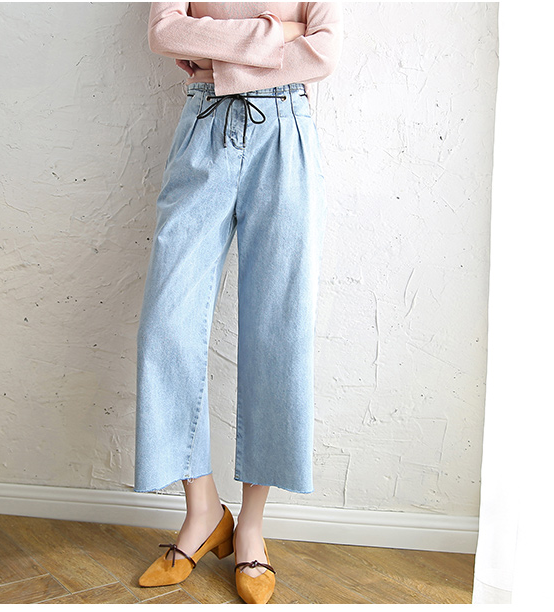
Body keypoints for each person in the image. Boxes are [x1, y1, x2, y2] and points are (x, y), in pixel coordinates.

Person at [134, 2, 343, 604]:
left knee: (278, 330)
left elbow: (325, 51)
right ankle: (202, 510)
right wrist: (283, 34)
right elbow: (165, 31)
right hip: (203, 127)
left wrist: (216, 52)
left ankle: (250, 526)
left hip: (285, 130)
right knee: (166, 325)